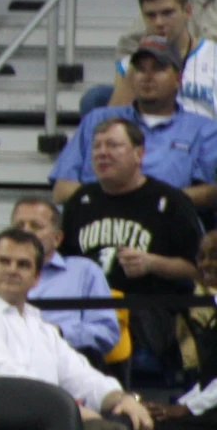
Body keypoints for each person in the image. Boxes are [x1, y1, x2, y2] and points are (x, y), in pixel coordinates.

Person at [0, 226, 155, 430]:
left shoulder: (38, 325)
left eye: (23, 265)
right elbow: (6, 384)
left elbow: (80, 375)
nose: (12, 270)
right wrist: (75, 412)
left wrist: (121, 398)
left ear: (36, 278)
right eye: (4, 262)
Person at [61, 113, 206, 365]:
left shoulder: (171, 203)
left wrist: (152, 263)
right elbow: (63, 265)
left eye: (113, 145)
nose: (102, 153)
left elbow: (198, 270)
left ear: (139, 154)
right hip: (86, 310)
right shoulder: (79, 203)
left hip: (149, 311)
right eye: (97, 146)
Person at [12, 194, 122, 358]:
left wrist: (58, 332)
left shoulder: (84, 271)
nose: (26, 232)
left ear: (57, 238)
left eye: (36, 226)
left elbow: (106, 333)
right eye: (19, 226)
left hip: (64, 359)